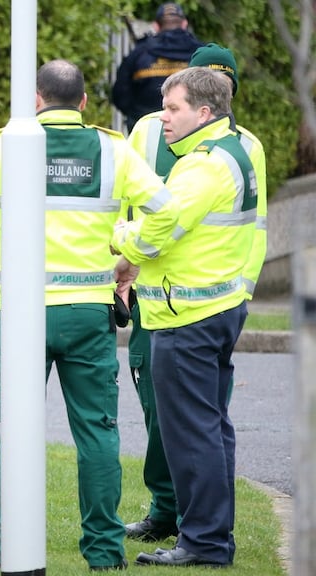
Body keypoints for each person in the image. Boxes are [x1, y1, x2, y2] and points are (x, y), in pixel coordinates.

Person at [0, 59, 179, 571]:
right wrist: (130, 258)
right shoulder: (114, 149)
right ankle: (105, 552)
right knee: (97, 433)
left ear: (36, 99)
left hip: (24, 312)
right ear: (86, 102)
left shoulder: (8, 144)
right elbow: (166, 210)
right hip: (89, 312)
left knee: (19, 430)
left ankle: (3, 550)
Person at [121, 43, 267, 544]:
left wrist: (119, 244)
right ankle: (205, 530)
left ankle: (203, 538)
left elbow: (158, 228)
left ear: (206, 109)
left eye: (174, 107)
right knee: (205, 426)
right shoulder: (223, 148)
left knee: (192, 429)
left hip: (189, 309)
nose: (165, 116)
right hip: (200, 304)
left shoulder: (206, 162)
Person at [111, 3, 203, 132]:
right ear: (184, 24)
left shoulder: (139, 54)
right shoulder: (201, 53)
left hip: (146, 130)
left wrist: (137, 116)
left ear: (156, 26)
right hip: (191, 130)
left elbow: (120, 94)